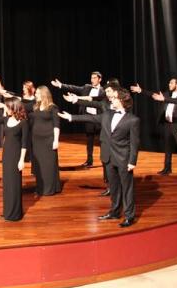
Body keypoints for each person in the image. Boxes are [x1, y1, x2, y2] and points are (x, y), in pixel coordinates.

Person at [60, 88, 140, 227]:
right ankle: (115, 212)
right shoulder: (107, 114)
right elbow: (91, 118)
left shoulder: (133, 120)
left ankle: (129, 216)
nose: (111, 99)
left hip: (123, 158)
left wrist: (132, 161)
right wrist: (71, 117)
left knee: (127, 188)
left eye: (114, 98)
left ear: (122, 101)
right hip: (108, 157)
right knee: (114, 187)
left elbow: (135, 142)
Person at [130, 77, 177, 176]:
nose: (169, 84)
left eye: (171, 83)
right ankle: (167, 168)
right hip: (167, 124)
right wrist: (141, 91)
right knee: (168, 148)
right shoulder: (166, 94)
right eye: (169, 83)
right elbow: (153, 95)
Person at [51, 72, 105, 167]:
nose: (92, 80)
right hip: (88, 116)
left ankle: (105, 160)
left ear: (100, 79)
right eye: (91, 78)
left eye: (95, 78)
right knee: (89, 139)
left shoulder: (104, 91)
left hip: (100, 117)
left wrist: (77, 98)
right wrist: (61, 85)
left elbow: (95, 100)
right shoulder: (87, 87)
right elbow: (74, 87)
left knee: (103, 140)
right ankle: (89, 160)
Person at [29, 86, 62, 196]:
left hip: (48, 139)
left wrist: (56, 140)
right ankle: (40, 187)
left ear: (43, 94)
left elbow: (56, 125)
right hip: (36, 140)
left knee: (48, 165)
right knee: (39, 165)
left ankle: (48, 189)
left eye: (37, 93)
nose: (35, 95)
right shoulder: (35, 107)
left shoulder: (52, 108)